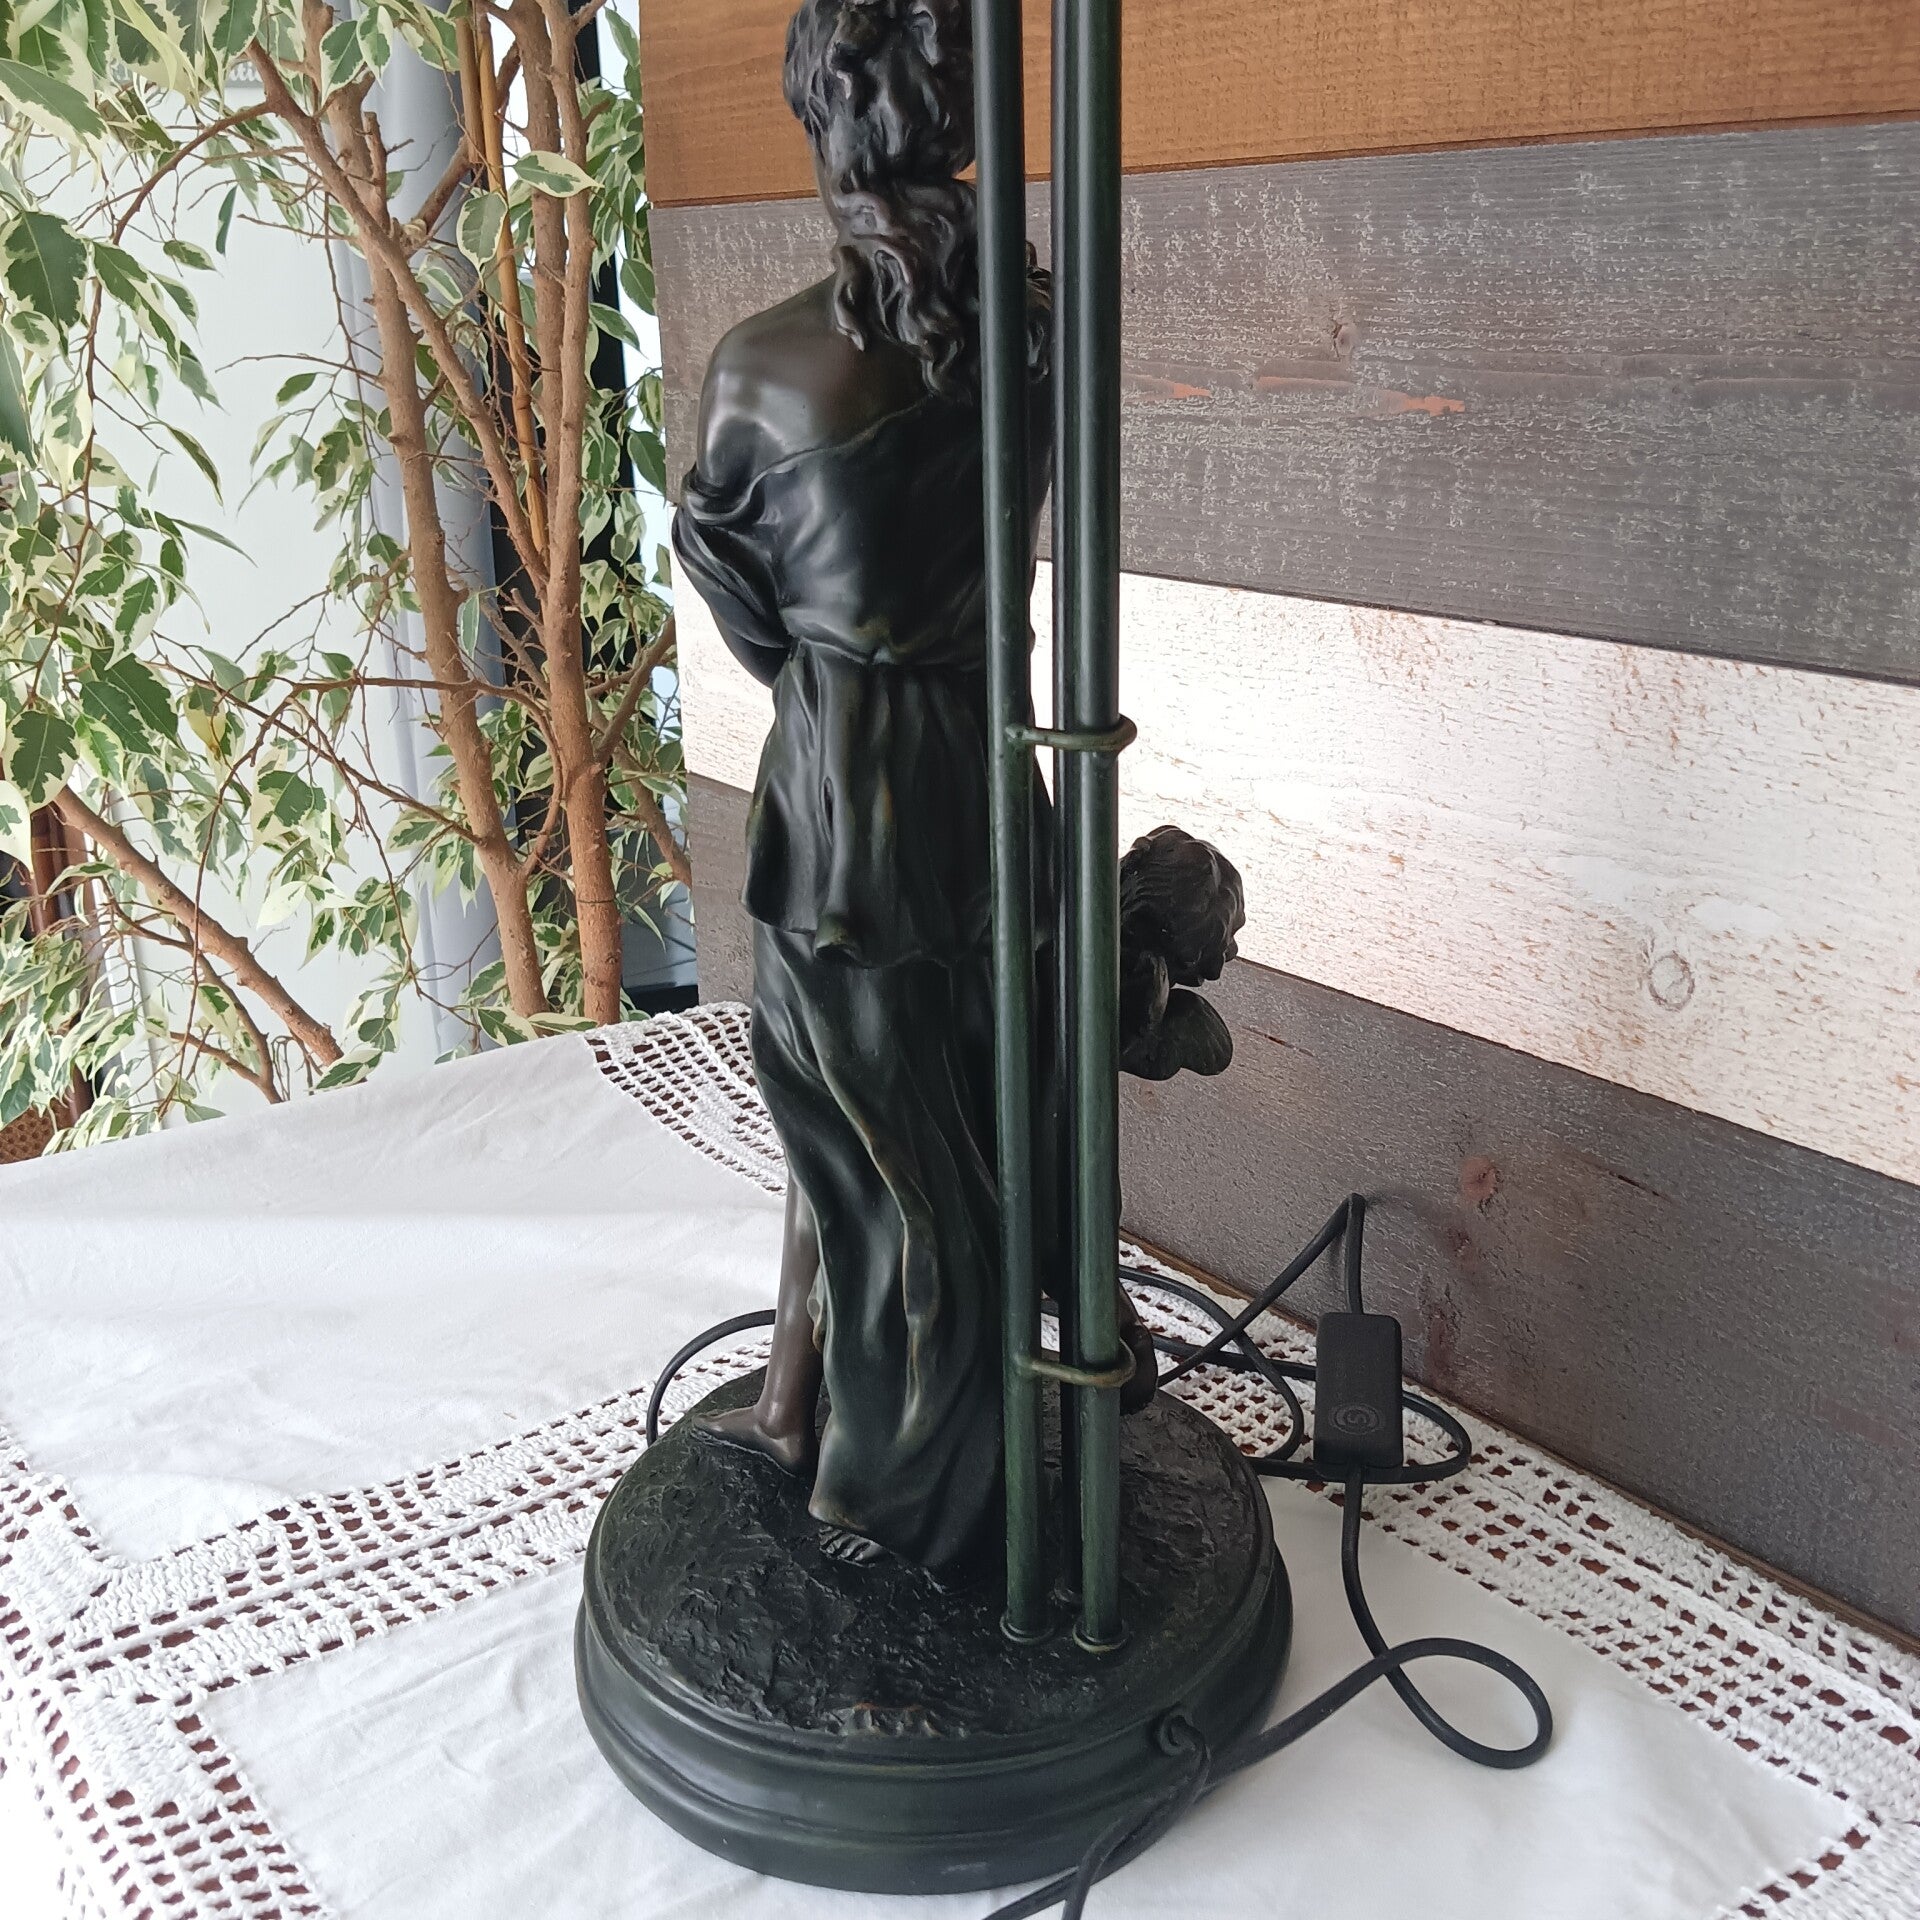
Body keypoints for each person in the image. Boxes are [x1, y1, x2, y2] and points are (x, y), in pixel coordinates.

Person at [672, 0, 1049, 1579]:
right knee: (938, 1116)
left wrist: (842, 677)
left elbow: (734, 588)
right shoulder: (1034, 325)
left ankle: (891, 1497)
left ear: (829, 116)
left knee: (870, 1141)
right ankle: (805, 1402)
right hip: (990, 766)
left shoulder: (763, 370)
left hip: (847, 802)